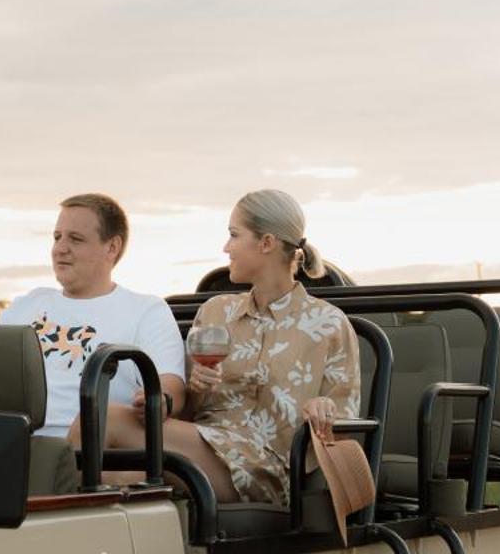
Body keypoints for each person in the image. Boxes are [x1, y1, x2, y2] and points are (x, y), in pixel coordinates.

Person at [98, 189, 358, 504]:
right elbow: (189, 411)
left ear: (266, 243)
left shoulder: (329, 324)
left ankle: (37, 526)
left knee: (102, 420)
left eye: (234, 235)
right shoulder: (216, 311)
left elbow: (345, 428)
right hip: (203, 449)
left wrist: (325, 411)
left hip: (268, 469)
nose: (226, 247)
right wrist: (194, 390)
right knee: (121, 475)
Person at [0, 193, 187, 440]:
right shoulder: (24, 306)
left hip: (91, 452)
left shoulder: (146, 310)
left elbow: (171, 386)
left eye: (75, 239)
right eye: (57, 237)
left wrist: (159, 400)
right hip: (12, 441)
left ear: (112, 247)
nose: (60, 249)